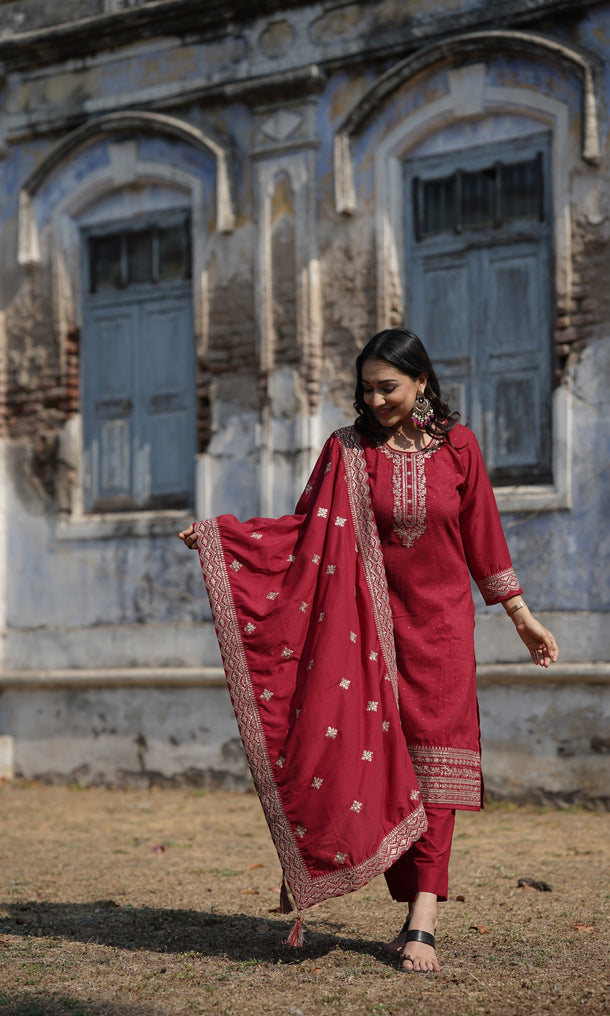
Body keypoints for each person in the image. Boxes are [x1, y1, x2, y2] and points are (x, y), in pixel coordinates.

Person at [180, 327, 558, 973]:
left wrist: (519, 616)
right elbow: (307, 532)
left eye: (388, 387)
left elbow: (482, 538)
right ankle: (338, 865)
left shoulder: (458, 449)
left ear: (421, 382)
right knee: (372, 762)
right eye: (367, 390)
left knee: (437, 772)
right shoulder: (346, 450)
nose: (377, 400)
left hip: (440, 634)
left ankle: (422, 922)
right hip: (362, 636)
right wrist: (225, 540)